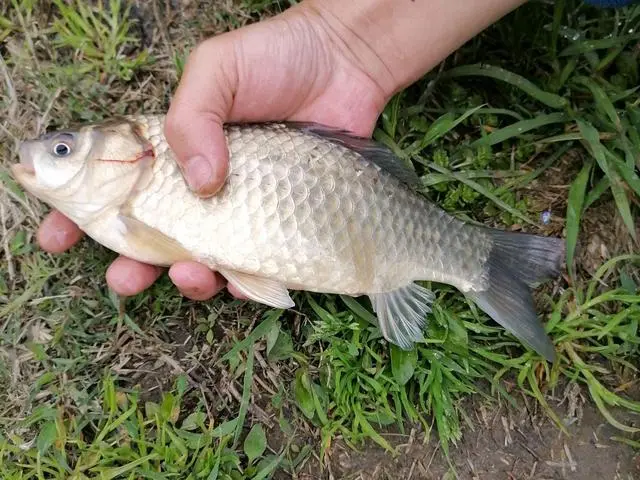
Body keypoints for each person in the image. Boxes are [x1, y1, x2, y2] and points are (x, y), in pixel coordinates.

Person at [35, 0, 636, 302]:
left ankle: (482, 261)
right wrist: (341, 38)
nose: (48, 159)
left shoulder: (157, 164)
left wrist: (340, 36)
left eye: (63, 149)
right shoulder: (126, 205)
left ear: (133, 151)